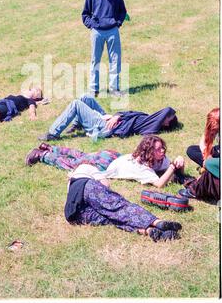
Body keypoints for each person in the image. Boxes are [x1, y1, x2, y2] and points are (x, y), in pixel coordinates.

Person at [25, 135, 186, 188]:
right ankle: (41, 155)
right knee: (74, 163)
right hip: (105, 164)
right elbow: (159, 184)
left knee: (80, 154)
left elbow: (171, 173)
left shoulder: (158, 158)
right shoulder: (141, 168)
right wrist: (173, 166)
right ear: (149, 152)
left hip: (114, 156)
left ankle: (50, 147)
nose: (163, 151)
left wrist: (179, 165)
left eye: (162, 148)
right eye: (158, 149)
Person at [64, 175, 182, 242]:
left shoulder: (72, 180)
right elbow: (105, 183)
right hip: (86, 187)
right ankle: (157, 223)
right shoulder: (87, 169)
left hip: (74, 214)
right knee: (119, 207)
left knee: (112, 220)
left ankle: (149, 231)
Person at [38, 94, 179, 142]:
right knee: (85, 97)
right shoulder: (149, 118)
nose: (165, 114)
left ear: (166, 124)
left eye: (168, 117)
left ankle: (53, 133)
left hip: (107, 128)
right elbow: (129, 112)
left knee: (76, 104)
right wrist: (116, 116)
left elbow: (167, 109)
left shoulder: (152, 126)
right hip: (113, 120)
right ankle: (79, 124)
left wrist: (114, 121)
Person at [82, 0, 127, 96]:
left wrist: (117, 23)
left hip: (113, 30)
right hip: (97, 32)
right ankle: (93, 89)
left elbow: (122, 11)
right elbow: (85, 14)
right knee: (95, 60)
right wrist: (91, 25)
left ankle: (114, 89)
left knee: (115, 60)